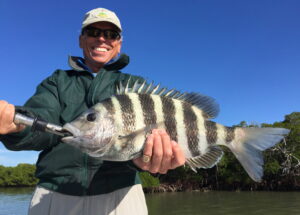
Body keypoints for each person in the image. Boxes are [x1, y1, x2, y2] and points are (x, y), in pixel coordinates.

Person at [0, 7, 186, 215]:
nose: (102, 39)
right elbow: (40, 120)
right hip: (55, 195)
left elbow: (150, 145)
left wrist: (148, 159)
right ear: (81, 40)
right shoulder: (57, 81)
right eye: (93, 32)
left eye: (111, 34)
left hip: (122, 195)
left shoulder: (134, 85)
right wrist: (15, 125)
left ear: (119, 44)